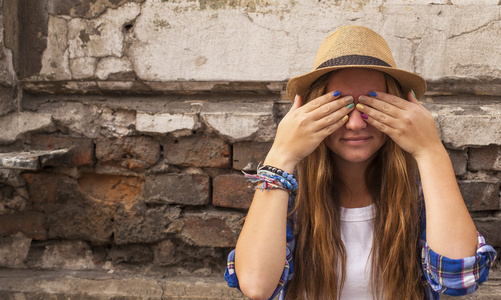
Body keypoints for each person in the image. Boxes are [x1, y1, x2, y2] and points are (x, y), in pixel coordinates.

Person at [224, 25, 497, 300]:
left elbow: (458, 280)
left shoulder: (422, 196)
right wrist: (281, 154)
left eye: (372, 105)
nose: (355, 124)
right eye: (339, 105)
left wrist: (430, 150)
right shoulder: (290, 198)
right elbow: (257, 286)